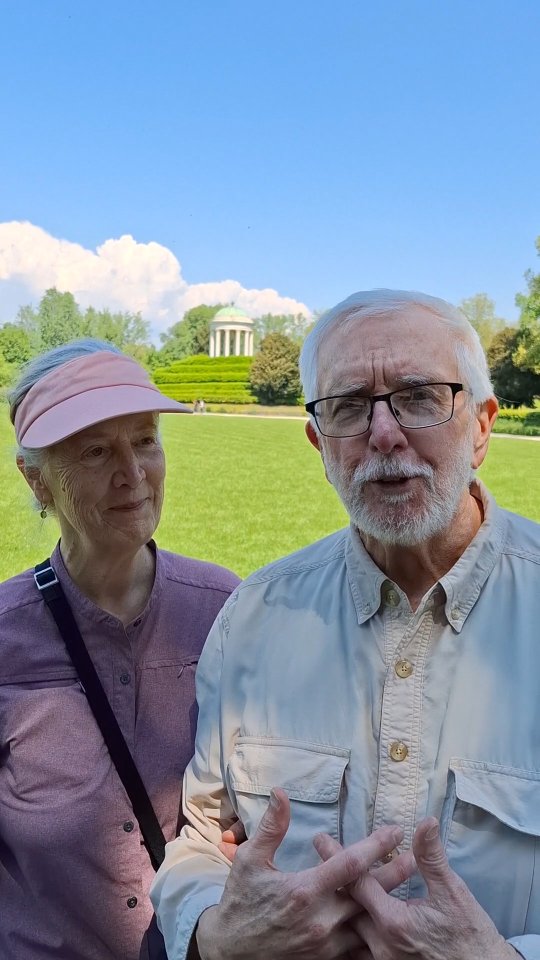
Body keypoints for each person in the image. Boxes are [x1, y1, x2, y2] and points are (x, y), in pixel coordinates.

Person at [151, 290, 540, 960]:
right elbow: (200, 835)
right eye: (349, 407)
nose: (383, 434)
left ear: (481, 425)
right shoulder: (254, 618)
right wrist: (213, 931)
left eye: (419, 395)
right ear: (317, 441)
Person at [0, 340, 240, 960]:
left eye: (145, 439)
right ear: (36, 479)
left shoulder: (228, 608)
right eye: (95, 450)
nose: (132, 473)